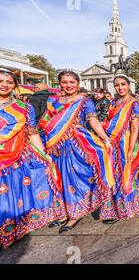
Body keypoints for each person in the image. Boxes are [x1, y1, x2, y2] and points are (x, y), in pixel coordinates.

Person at [40, 70, 115, 233]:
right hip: (56, 144)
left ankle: (75, 214)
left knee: (76, 177)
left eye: (72, 82)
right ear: (59, 83)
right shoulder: (53, 100)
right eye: (65, 82)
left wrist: (105, 138)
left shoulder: (84, 101)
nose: (68, 85)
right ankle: (62, 212)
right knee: (58, 177)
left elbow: (92, 119)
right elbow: (45, 121)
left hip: (76, 144)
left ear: (78, 84)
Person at [0, 70, 64, 248]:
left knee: (12, 196)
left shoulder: (24, 107)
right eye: (1, 81)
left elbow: (32, 132)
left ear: (15, 86)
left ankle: (10, 232)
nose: (4, 84)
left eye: (9, 82)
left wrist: (44, 154)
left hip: (15, 159)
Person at [102, 75, 139, 222]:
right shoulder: (114, 102)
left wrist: (130, 149)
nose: (120, 88)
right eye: (117, 85)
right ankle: (113, 207)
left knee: (125, 174)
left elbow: (135, 128)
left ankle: (127, 208)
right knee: (113, 174)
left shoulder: (134, 104)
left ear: (129, 86)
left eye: (123, 84)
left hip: (126, 143)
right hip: (112, 143)